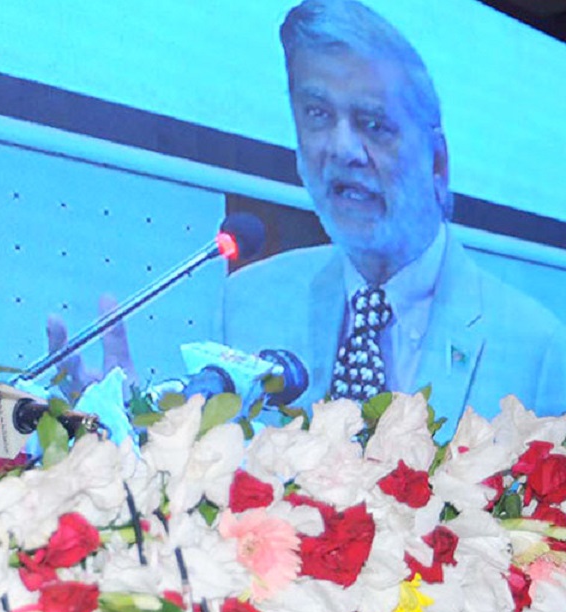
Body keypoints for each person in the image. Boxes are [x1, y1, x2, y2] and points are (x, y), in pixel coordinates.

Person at [53, 0, 566, 439]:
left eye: (373, 123)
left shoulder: (538, 348)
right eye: (318, 115)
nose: (342, 149)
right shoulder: (250, 300)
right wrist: (128, 434)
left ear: (437, 162)